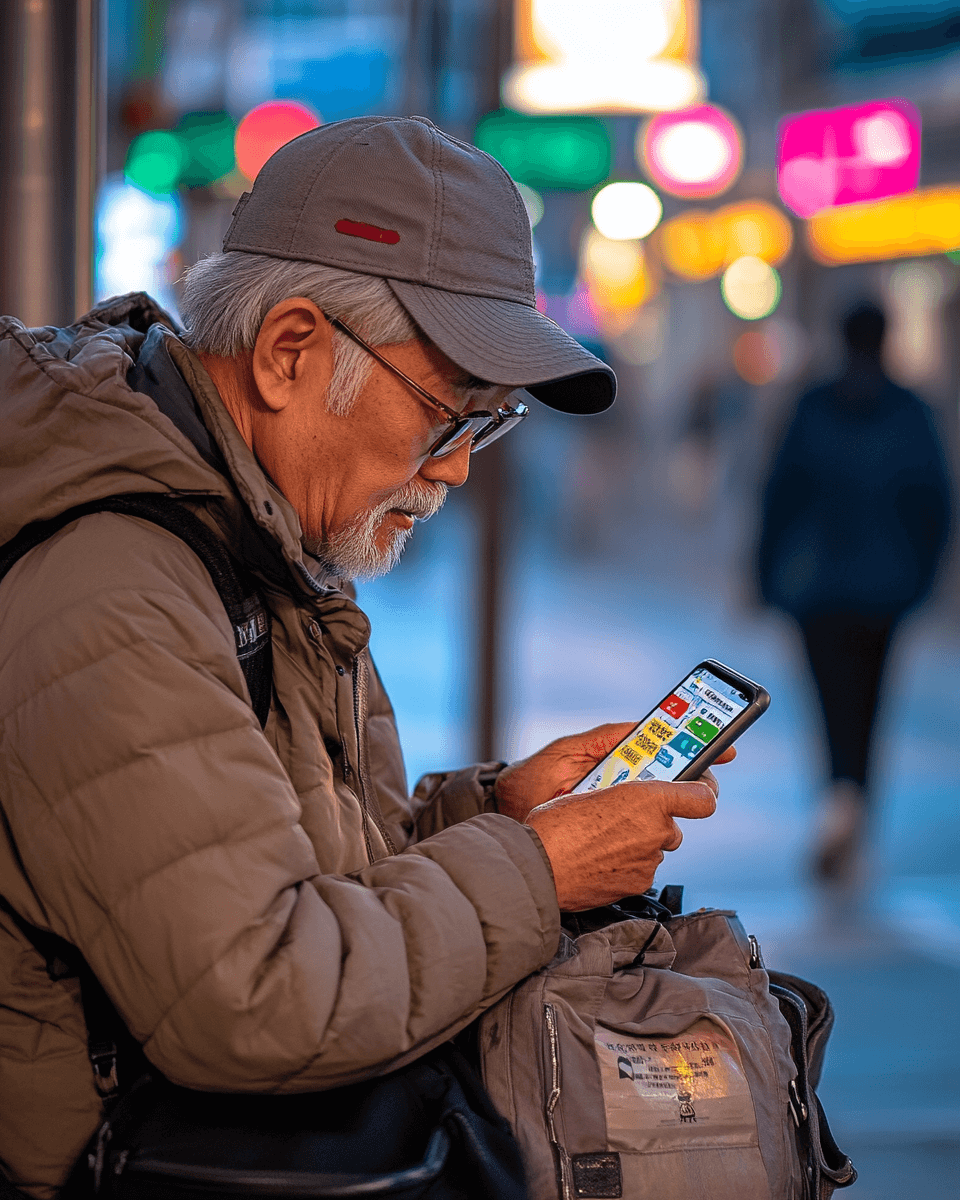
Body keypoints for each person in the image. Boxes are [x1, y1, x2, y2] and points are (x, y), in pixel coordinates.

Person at [0, 116, 728, 1197]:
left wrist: (497, 815)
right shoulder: (119, 586)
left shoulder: (249, 531)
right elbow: (256, 995)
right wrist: (538, 872)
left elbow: (286, 866)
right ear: (291, 351)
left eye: (490, 425)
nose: (456, 472)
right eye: (448, 416)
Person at [757, 301, 952, 884]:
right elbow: (936, 504)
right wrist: (921, 581)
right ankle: (854, 807)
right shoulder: (912, 412)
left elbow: (779, 498)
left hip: (815, 591)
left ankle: (836, 802)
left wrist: (764, 576)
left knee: (828, 703)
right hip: (886, 591)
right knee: (871, 705)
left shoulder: (812, 406)